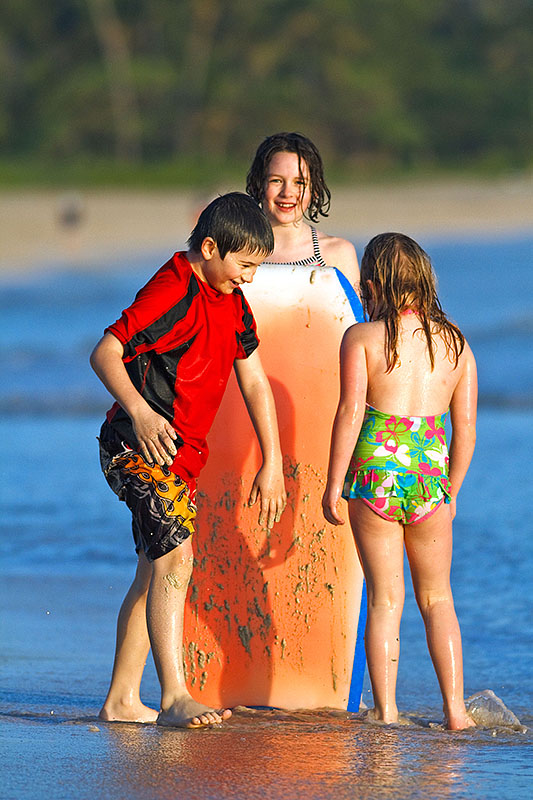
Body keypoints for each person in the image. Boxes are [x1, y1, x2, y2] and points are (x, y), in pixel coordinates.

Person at [91, 192, 287, 728]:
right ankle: (175, 695)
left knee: (152, 569)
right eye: (244, 265)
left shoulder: (234, 304)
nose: (248, 277)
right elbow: (105, 351)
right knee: (177, 557)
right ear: (209, 247)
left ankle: (121, 700)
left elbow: (254, 382)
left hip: (178, 462)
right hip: (133, 444)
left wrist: (272, 460)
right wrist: (141, 411)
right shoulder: (173, 287)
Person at [322, 232, 477, 730]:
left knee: (386, 599)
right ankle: (456, 712)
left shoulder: (363, 338)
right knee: (438, 598)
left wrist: (332, 484)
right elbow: (466, 427)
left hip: (376, 472)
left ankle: (386, 712)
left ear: (373, 284)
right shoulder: (455, 342)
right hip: (430, 474)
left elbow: (349, 413)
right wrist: (451, 486)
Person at [246, 132, 359, 286]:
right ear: (258, 183)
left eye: (299, 182)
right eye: (276, 180)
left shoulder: (338, 253)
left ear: (315, 189)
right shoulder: (238, 251)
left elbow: (352, 310)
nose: (287, 193)